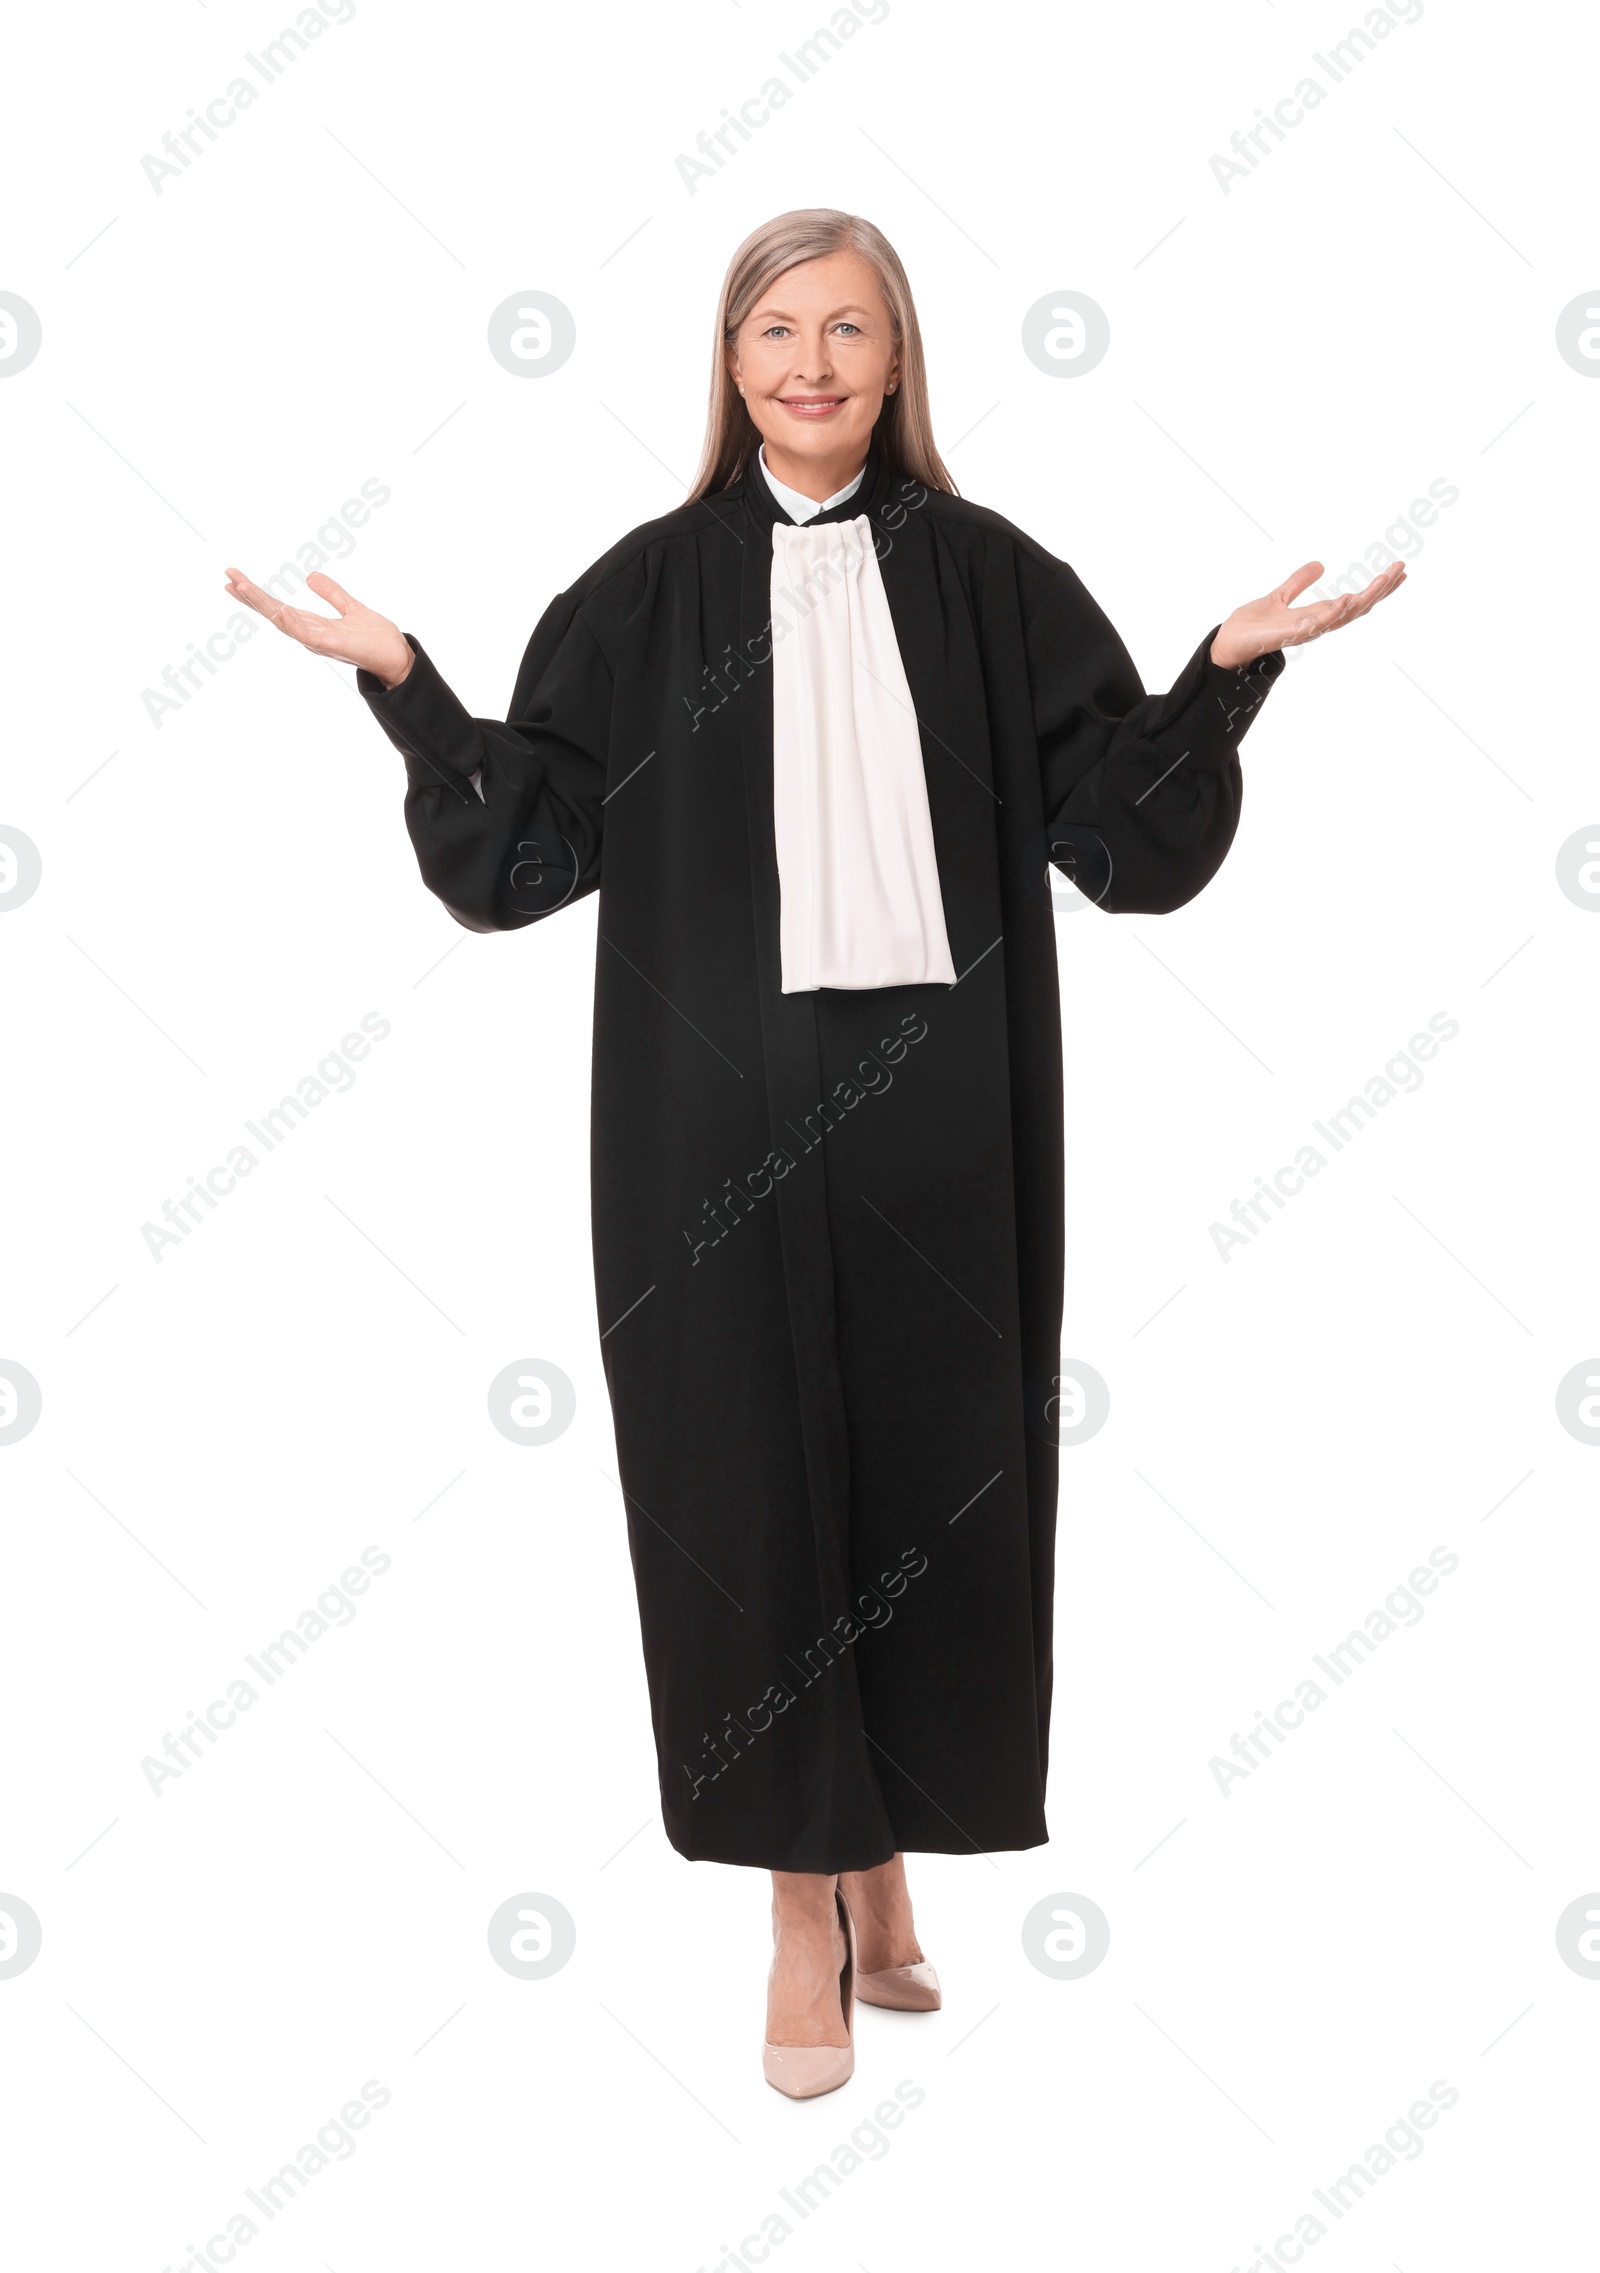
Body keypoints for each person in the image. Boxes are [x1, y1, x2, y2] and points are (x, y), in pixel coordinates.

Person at [223, 208, 1404, 2099]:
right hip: (710, 1137)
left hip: (946, 1121)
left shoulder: (992, 578)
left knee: (942, 1481)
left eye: (852, 329)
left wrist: (1227, 670)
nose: (814, 364)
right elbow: (519, 860)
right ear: (728, 357)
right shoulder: (644, 592)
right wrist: (409, 685)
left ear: (901, 357)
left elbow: (1123, 838)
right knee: (747, 1488)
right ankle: (800, 1902)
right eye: (780, 328)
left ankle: (887, 1856)